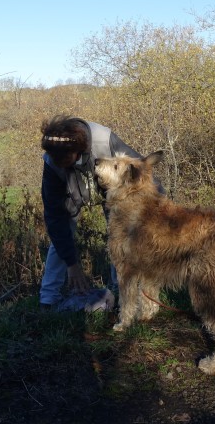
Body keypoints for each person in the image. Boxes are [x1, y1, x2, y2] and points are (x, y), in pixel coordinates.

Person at [39, 115, 151, 312]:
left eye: (64, 159)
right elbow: (55, 218)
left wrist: (157, 209)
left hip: (114, 191)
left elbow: (141, 170)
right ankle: (48, 300)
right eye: (56, 160)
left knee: (120, 235)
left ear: (78, 149)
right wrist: (72, 265)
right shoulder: (53, 160)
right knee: (61, 234)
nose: (60, 164)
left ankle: (120, 292)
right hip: (72, 192)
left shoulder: (104, 140)